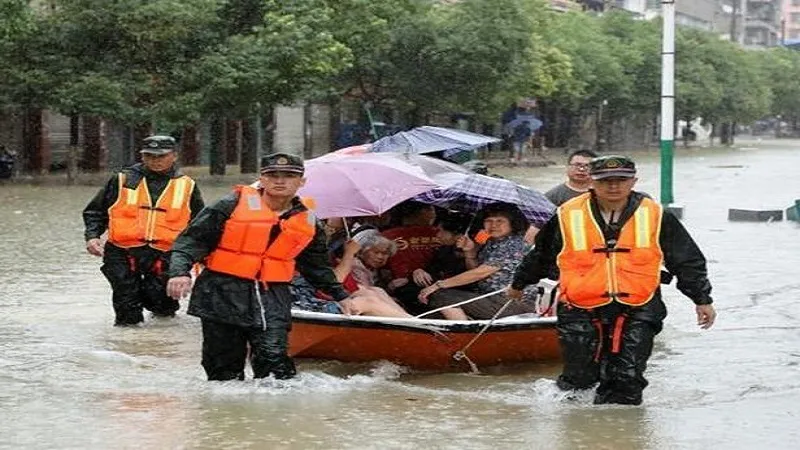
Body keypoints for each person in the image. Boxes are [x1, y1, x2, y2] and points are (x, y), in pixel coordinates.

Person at [508, 155, 717, 405]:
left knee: (627, 379)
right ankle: (578, 432)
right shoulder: (567, 214)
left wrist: (701, 299)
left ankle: (622, 435)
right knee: (580, 378)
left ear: (634, 181)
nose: (614, 186)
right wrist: (519, 284)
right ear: (592, 183)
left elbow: (686, 259)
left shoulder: (657, 215)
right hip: (580, 306)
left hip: (639, 306)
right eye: (606, 181)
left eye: (621, 180)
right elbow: (542, 254)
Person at [165, 153, 353, 381]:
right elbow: (191, 241)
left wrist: (342, 296)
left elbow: (317, 267)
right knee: (224, 369)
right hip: (222, 292)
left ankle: (275, 410)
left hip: (272, 294)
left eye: (289, 176)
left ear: (301, 182)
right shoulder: (229, 205)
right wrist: (179, 273)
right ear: (261, 179)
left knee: (275, 363)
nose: (280, 181)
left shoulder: (309, 221)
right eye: (272, 175)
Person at [82, 135, 204, 326]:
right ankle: (128, 344)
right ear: (142, 156)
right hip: (123, 251)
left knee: (161, 304)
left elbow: (200, 224)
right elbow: (95, 211)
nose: (156, 161)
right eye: (150, 156)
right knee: (126, 304)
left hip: (165, 254)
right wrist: (92, 236)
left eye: (161, 156)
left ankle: (161, 345)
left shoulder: (187, 186)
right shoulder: (121, 180)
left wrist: (199, 256)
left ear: (174, 156)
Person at [418, 205, 539, 320]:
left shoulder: (516, 243)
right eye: (488, 221)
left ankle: (465, 334)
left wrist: (439, 285)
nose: (493, 225)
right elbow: (475, 269)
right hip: (488, 297)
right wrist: (469, 252)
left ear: (513, 223)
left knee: (441, 295)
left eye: (499, 221)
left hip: (510, 303)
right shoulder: (491, 241)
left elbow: (480, 273)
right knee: (436, 311)